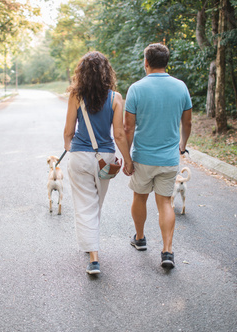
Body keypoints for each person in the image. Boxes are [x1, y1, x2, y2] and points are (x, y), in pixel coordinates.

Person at [63, 51, 134, 275]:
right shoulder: (116, 98)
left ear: (81, 73)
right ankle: (92, 248)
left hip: (79, 157)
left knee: (86, 205)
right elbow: (120, 135)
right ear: (107, 72)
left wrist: (68, 147)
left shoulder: (76, 96)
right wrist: (128, 160)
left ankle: (93, 257)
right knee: (96, 203)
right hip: (106, 160)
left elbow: (68, 131)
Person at [124, 43, 192, 269]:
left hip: (143, 157)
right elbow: (188, 122)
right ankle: (167, 252)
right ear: (166, 62)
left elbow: (128, 128)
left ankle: (140, 239)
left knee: (140, 197)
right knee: (165, 203)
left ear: (146, 62)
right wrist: (182, 145)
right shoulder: (181, 87)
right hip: (169, 159)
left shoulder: (136, 88)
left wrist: (127, 157)